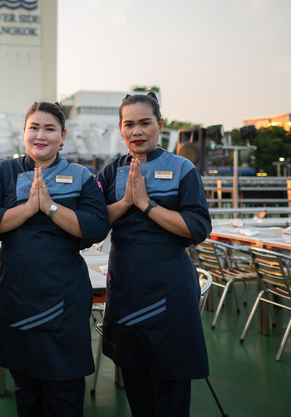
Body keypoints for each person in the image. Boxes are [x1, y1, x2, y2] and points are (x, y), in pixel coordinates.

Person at [0, 101, 109, 417]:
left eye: (49, 129)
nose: (41, 135)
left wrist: (50, 208)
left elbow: (96, 226)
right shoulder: (3, 171)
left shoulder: (80, 175)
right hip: (17, 292)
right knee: (27, 390)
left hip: (65, 295)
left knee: (65, 389)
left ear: (62, 135)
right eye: (34, 127)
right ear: (24, 132)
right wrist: (28, 208)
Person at [96, 92, 211, 417]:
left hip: (170, 291)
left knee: (171, 387)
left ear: (160, 125)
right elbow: (93, 225)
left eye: (145, 123)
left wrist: (146, 204)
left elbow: (197, 228)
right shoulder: (109, 173)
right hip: (126, 288)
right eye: (129, 124)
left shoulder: (182, 168)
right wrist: (125, 203)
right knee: (136, 384)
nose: (137, 131)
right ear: (120, 129)